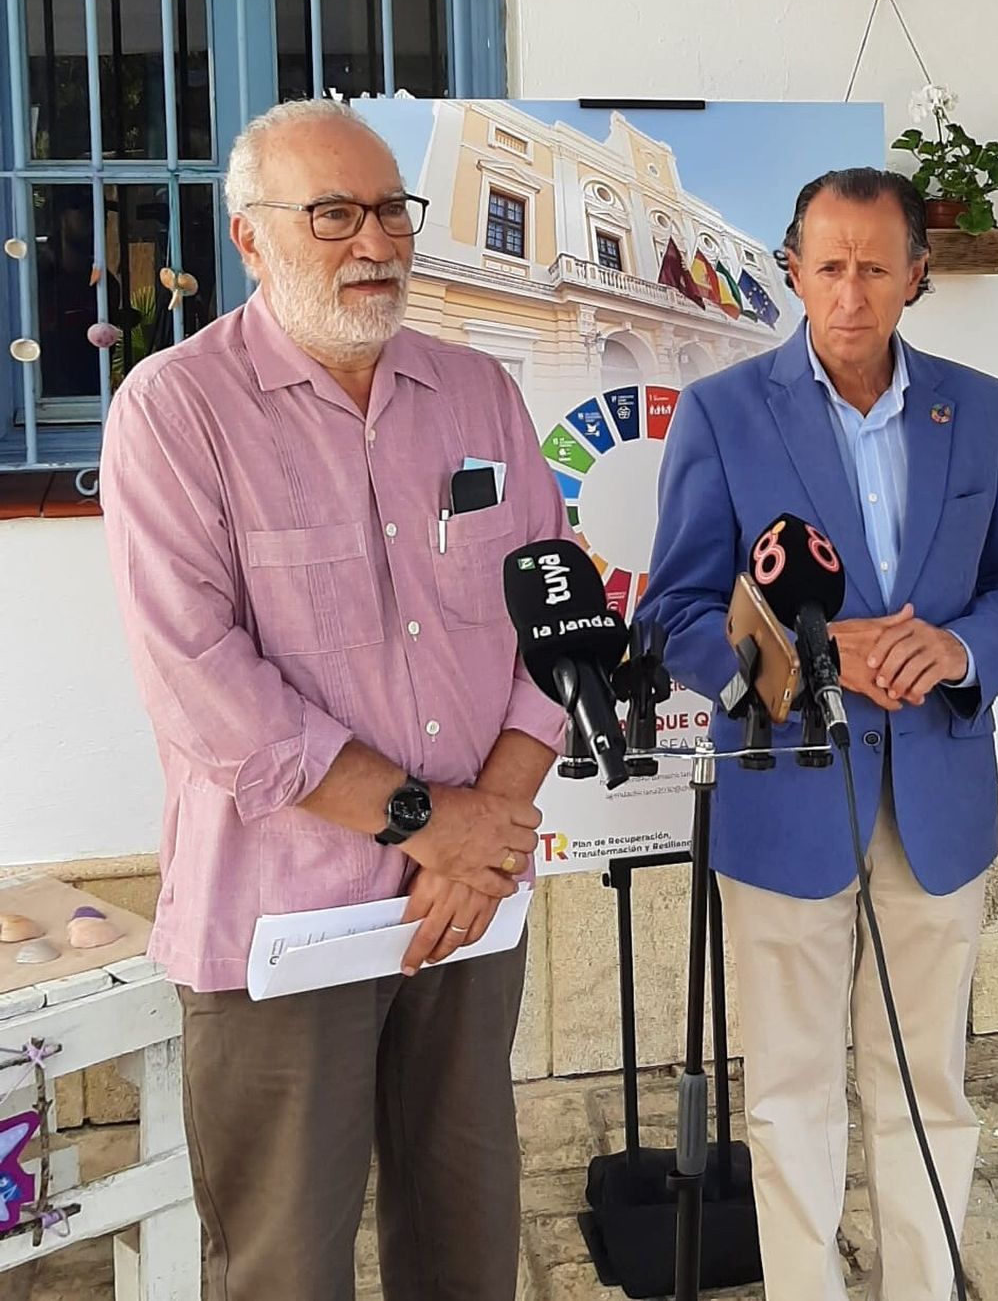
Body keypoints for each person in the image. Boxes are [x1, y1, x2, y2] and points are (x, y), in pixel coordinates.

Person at [100, 99, 570, 1301]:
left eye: (391, 211)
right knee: (282, 1261)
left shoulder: (481, 396)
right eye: (333, 215)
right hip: (281, 921)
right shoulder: (174, 408)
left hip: (464, 912)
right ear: (251, 239)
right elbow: (205, 687)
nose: (376, 242)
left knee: (465, 1239)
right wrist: (434, 824)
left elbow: (557, 629)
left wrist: (482, 839)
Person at [639, 168, 998, 1301]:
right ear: (791, 271)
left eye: (875, 266)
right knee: (787, 1096)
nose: (851, 292)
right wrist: (805, 662)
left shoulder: (982, 408)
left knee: (929, 1088)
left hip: (936, 804)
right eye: (828, 266)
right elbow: (672, 613)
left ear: (917, 274)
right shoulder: (726, 412)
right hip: (784, 804)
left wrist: (957, 650)